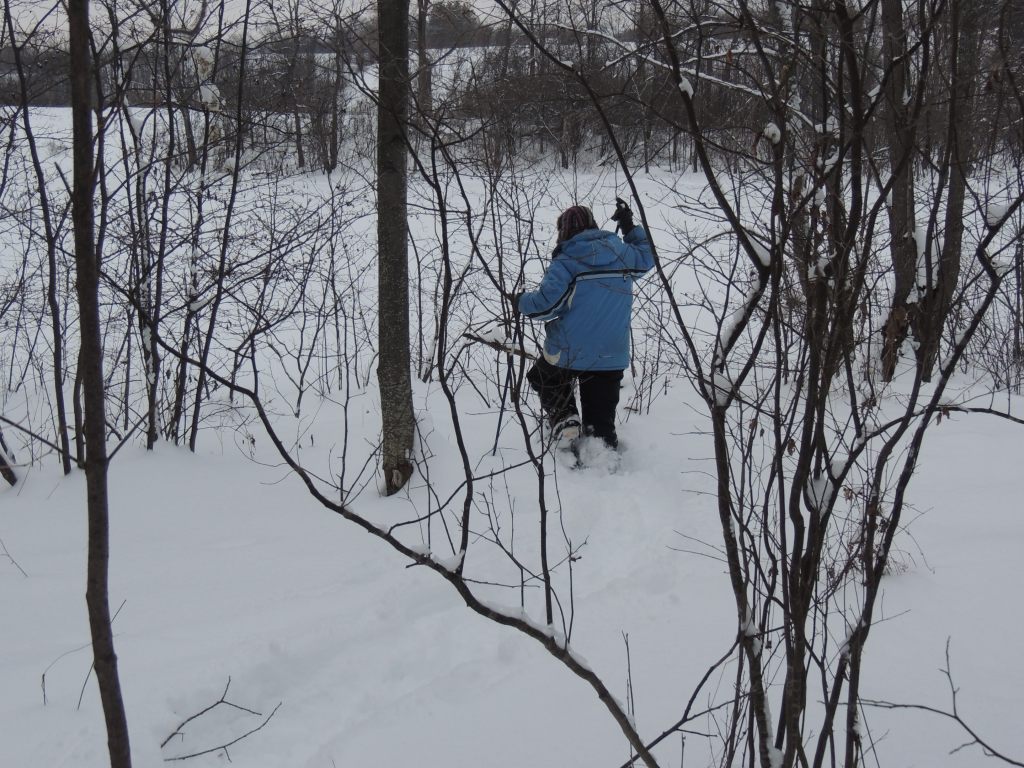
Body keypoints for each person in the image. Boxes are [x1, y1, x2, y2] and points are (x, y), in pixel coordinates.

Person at [514, 198, 654, 450]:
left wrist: (521, 301)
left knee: (543, 377)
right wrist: (628, 225)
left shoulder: (566, 261)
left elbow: (545, 305)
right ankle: (602, 452)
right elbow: (647, 256)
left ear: (564, 231)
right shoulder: (622, 254)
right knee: (600, 426)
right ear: (593, 224)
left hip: (569, 351)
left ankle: (564, 418)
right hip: (612, 352)